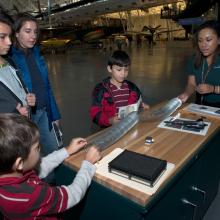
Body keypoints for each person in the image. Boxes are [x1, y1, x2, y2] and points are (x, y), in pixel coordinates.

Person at [0, 113, 101, 219]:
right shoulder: (32, 196)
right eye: (37, 147)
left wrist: (67, 150)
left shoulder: (10, 175)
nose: (40, 149)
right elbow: (73, 195)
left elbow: (41, 166)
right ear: (19, 163)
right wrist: (88, 164)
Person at [10, 13, 60, 155]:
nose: (33, 36)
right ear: (16, 33)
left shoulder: (37, 53)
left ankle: (51, 178)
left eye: (35, 32)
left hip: (44, 111)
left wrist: (55, 116)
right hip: (26, 116)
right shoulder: (10, 58)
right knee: (30, 156)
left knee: (55, 151)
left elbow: (47, 86)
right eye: (27, 31)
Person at [90, 50, 149, 128]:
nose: (123, 73)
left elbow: (137, 105)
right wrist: (109, 121)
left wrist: (142, 107)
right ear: (109, 69)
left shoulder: (133, 88)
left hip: (130, 127)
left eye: (126, 70)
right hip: (109, 130)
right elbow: (95, 113)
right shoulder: (100, 90)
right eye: (119, 70)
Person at [0, 11, 35, 116]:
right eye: (2, 37)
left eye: (9, 36)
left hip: (24, 125)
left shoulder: (10, 62)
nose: (9, 42)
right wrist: (13, 114)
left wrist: (27, 97)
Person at [179, 20, 220, 107]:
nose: (203, 45)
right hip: (200, 105)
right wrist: (186, 93)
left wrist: (213, 89)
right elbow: (191, 84)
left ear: (219, 40)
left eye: (208, 40)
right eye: (200, 41)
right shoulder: (194, 59)